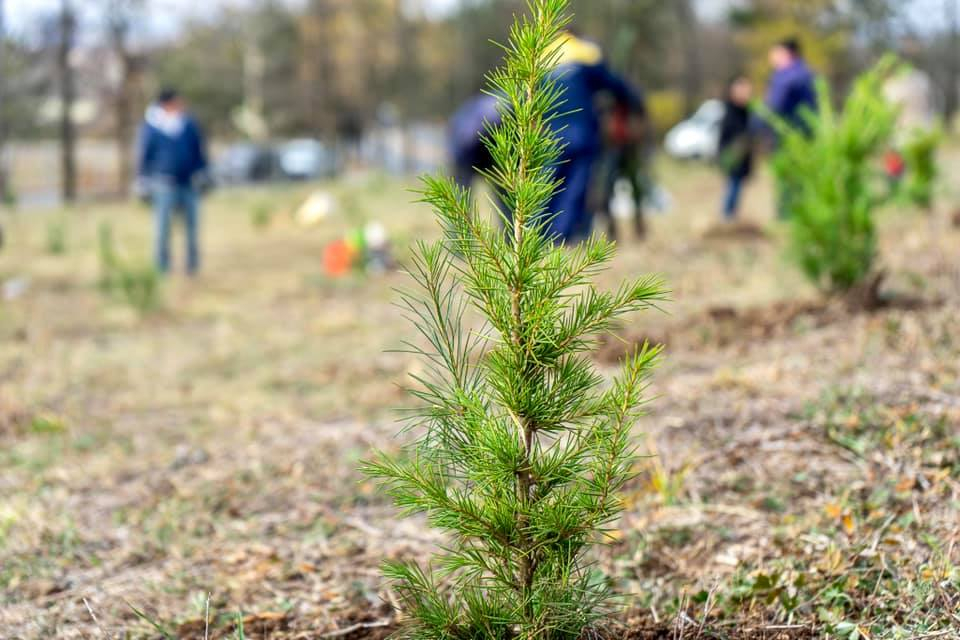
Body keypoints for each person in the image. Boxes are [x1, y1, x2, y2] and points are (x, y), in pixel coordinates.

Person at [544, 29, 644, 244]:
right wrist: (635, 102)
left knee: (550, 185)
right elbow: (615, 85)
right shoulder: (584, 54)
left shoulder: (542, 57)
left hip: (549, 135)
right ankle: (563, 236)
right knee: (576, 186)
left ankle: (543, 238)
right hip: (581, 134)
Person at [137, 88, 209, 275]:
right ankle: (162, 268)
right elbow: (144, 155)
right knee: (162, 229)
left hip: (188, 183)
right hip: (163, 183)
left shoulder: (188, 124)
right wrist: (142, 181)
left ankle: (192, 267)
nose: (181, 105)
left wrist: (203, 173)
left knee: (192, 228)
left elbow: (199, 151)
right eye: (177, 102)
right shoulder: (152, 127)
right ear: (167, 103)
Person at [717, 75, 754, 221]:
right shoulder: (730, 111)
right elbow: (727, 134)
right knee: (733, 185)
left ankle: (730, 215)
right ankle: (727, 216)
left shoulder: (746, 111)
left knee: (737, 186)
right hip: (732, 155)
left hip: (742, 156)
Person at [765, 38, 816, 133]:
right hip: (812, 128)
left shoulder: (784, 77)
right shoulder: (809, 72)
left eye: (775, 53)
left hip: (791, 131)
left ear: (786, 53)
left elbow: (774, 107)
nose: (771, 57)